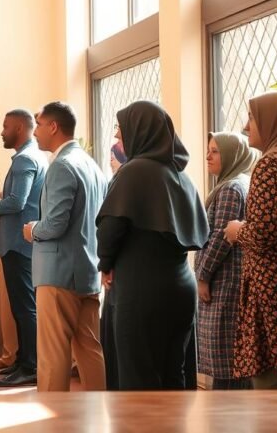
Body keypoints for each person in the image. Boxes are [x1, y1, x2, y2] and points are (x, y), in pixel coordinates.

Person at [96, 101, 208, 390]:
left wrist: (105, 265)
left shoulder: (134, 171)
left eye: (121, 133)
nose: (118, 140)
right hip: (181, 288)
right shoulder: (181, 176)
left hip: (140, 290)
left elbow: (111, 227)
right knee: (174, 375)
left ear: (140, 132)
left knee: (138, 378)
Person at [23, 101, 107, 392]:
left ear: (54, 127)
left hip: (58, 275)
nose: (35, 133)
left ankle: (52, 418)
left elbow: (55, 224)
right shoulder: (92, 165)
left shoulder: (61, 166)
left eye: (39, 125)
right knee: (89, 348)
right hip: (88, 270)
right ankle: (100, 412)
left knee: (53, 354)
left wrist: (33, 229)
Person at [225, 92, 277, 389]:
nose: (246, 127)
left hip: (275, 288)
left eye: (252, 118)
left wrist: (236, 231)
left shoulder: (273, 164)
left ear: (273, 122)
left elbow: (263, 234)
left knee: (275, 382)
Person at [0, 110, 47, 388]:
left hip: (19, 247)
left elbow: (17, 202)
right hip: (22, 244)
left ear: (20, 128)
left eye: (5, 126)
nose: (2, 131)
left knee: (25, 309)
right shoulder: (32, 156)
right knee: (23, 308)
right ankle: (24, 362)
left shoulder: (25, 158)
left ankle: (30, 367)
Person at [196, 132, 257, 390]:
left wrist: (203, 276)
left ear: (232, 155)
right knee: (231, 361)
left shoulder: (232, 188)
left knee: (227, 364)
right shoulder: (235, 183)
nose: (208, 156)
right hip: (227, 281)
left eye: (215, 151)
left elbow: (222, 238)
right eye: (208, 150)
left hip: (224, 284)